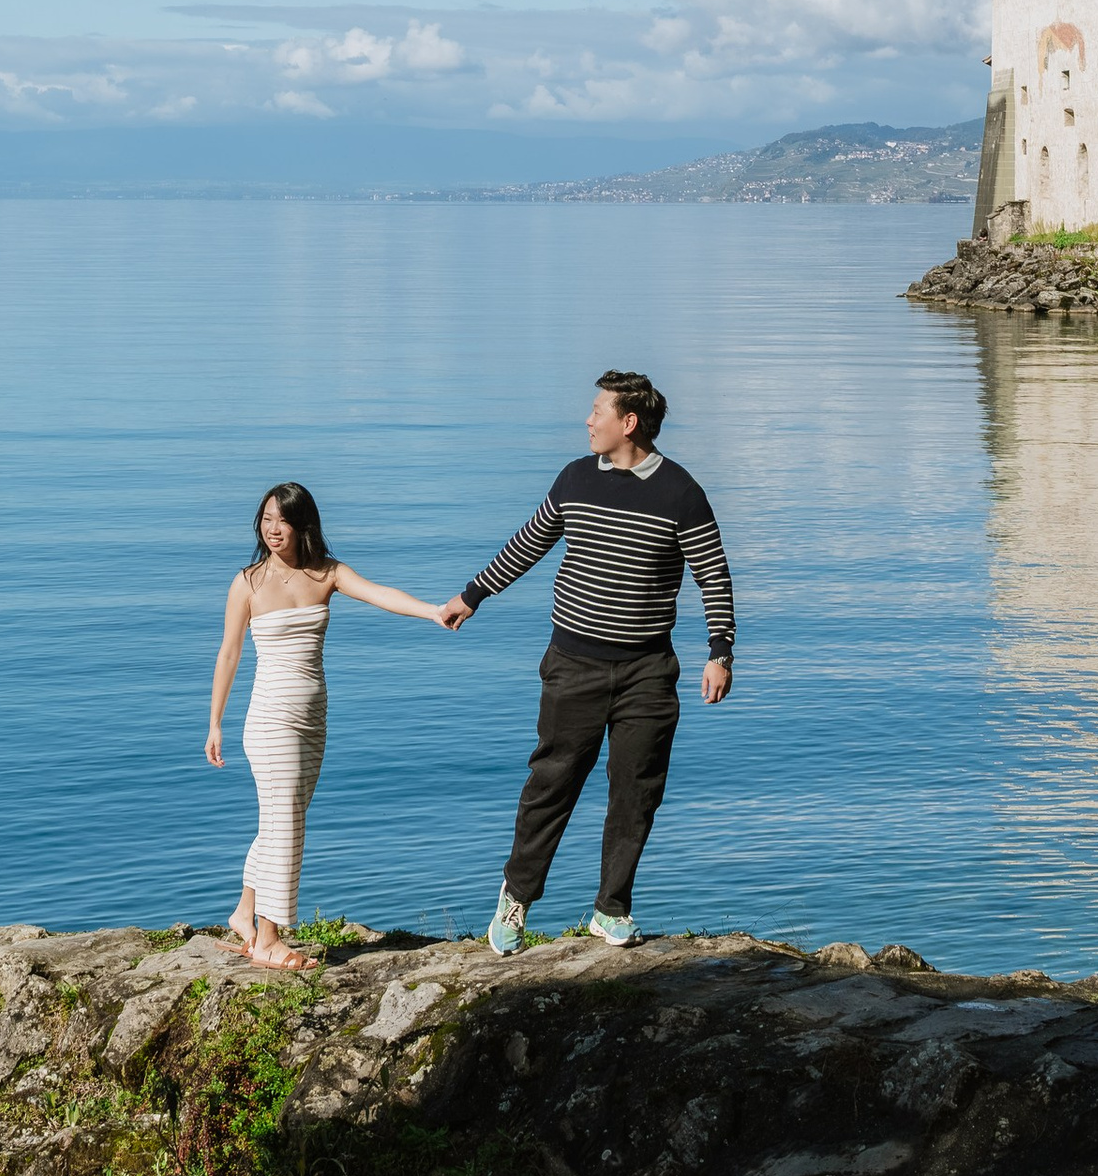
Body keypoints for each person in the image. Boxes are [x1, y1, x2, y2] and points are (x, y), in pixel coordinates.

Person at [441, 370, 735, 956]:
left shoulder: (681, 492)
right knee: (551, 783)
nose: (588, 419)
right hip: (573, 664)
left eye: (598, 410)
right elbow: (528, 542)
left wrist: (720, 651)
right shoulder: (575, 477)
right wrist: (472, 596)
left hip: (648, 673)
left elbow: (712, 574)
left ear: (629, 423)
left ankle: (611, 910)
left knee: (636, 792)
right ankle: (514, 902)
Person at [205, 484, 451, 971]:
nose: (273, 530)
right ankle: (268, 939)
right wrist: (214, 724)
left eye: (283, 521)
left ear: (303, 526)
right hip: (270, 718)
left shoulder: (326, 574)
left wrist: (433, 611)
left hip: (314, 719)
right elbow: (229, 653)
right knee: (287, 823)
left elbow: (381, 595)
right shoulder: (248, 583)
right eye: (266, 519)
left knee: (281, 816)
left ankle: (244, 911)